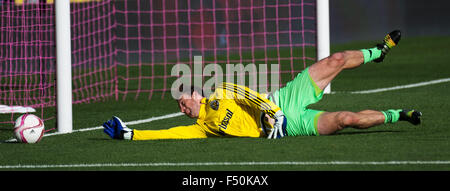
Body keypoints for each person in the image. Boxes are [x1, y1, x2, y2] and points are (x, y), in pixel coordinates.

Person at [102, 30, 422, 140]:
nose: (182, 106)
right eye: (181, 107)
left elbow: (250, 94)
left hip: (282, 99)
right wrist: (131, 134)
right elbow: (166, 135)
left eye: (183, 100)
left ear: (198, 94)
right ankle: (398, 114)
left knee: (336, 59)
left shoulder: (220, 91)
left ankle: (377, 52)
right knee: (346, 120)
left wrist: (272, 110)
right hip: (288, 126)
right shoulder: (202, 128)